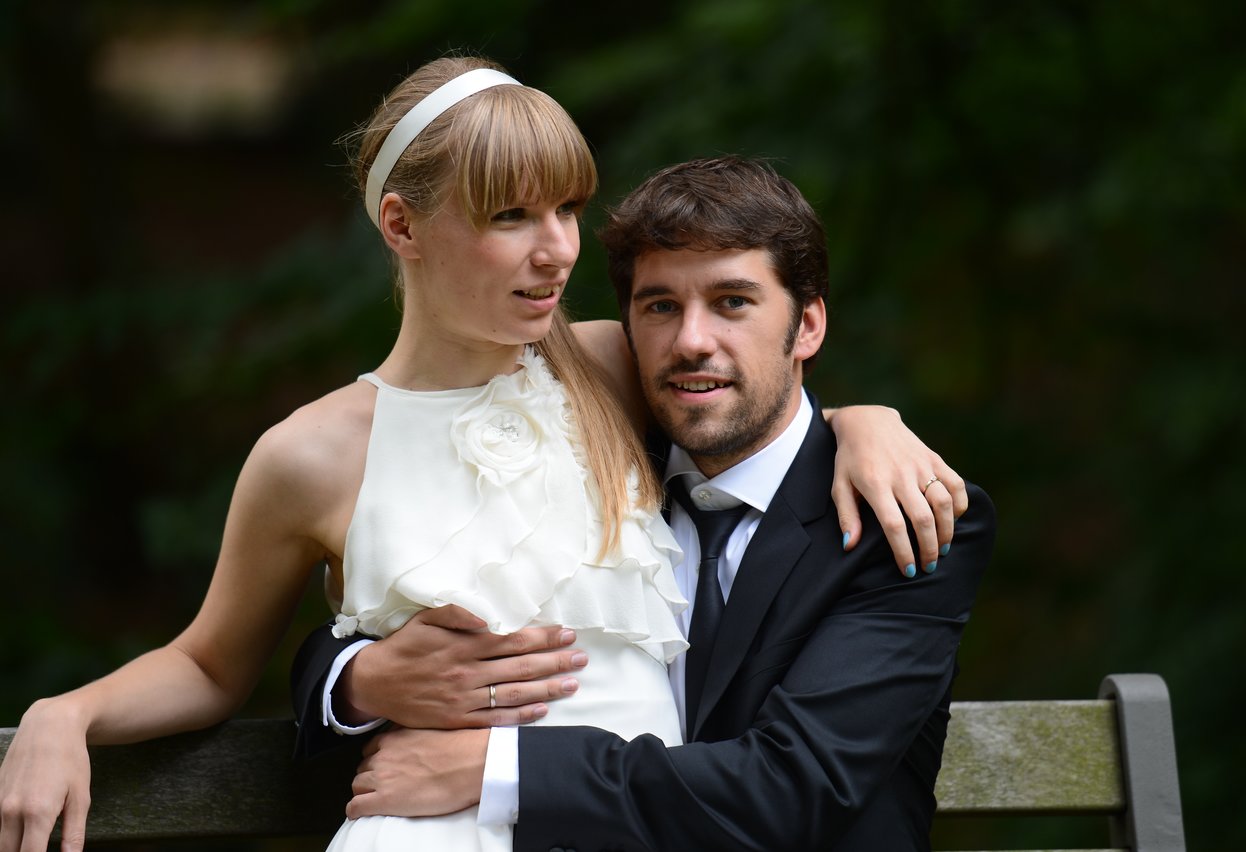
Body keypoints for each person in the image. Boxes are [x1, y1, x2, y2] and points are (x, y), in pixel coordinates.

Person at [0, 57, 962, 852]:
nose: (556, 252)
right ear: (403, 227)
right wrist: (64, 714)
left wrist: (868, 421)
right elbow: (211, 665)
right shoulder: (309, 454)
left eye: (567, 210)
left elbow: (762, 388)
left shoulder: (608, 365)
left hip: (628, 821)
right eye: (511, 218)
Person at [293, 156, 996, 851]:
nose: (692, 341)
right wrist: (356, 681)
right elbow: (422, 592)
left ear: (807, 326)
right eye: (661, 307)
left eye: (732, 303)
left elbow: (792, 787)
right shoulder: (606, 470)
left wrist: (495, 767)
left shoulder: (903, 520)